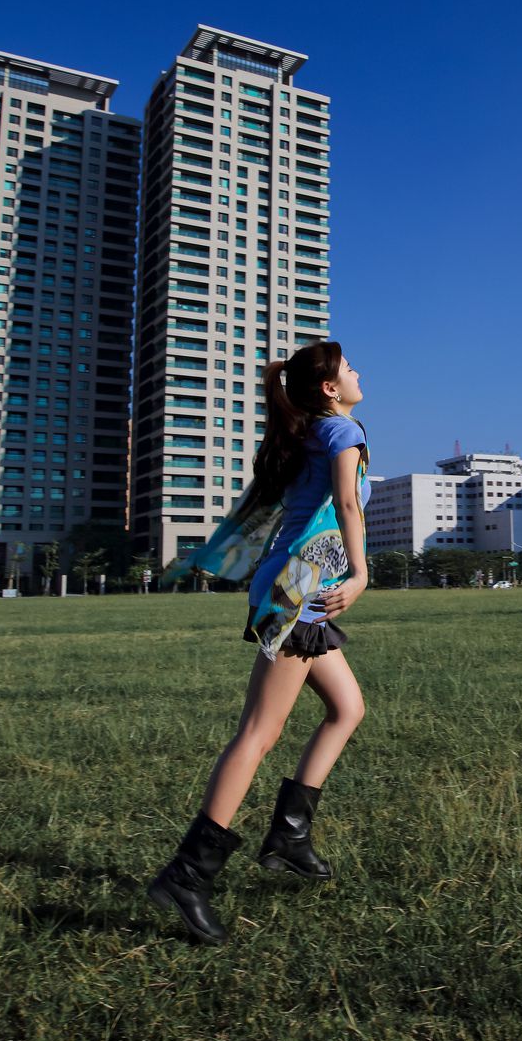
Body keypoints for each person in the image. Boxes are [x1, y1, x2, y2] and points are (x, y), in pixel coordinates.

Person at [144, 341, 370, 943]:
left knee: (347, 709)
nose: (357, 375)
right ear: (329, 388)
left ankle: (290, 836)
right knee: (258, 733)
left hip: (297, 581)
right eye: (349, 369)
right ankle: (188, 875)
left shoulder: (308, 434)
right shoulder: (341, 431)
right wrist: (362, 572)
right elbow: (346, 503)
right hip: (300, 585)